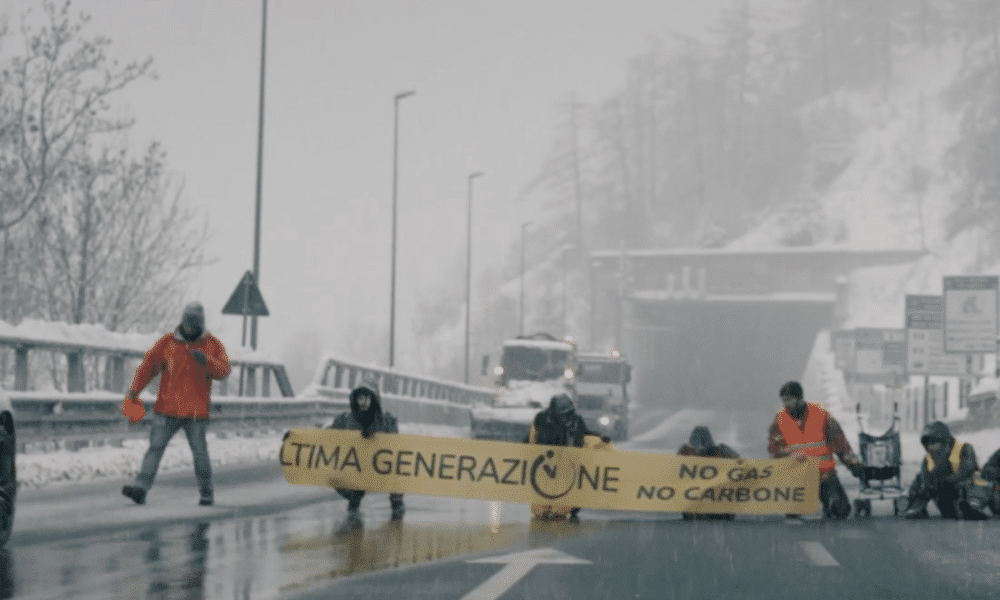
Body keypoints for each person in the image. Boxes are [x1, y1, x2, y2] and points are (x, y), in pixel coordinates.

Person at [121, 302, 231, 506]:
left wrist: (206, 361)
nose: (190, 327)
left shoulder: (212, 346)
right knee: (155, 448)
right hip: (167, 409)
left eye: (194, 323)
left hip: (196, 413)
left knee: (199, 452)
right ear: (182, 321)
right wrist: (134, 390)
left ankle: (206, 494)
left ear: (201, 324)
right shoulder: (167, 343)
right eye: (188, 322)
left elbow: (224, 371)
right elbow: (148, 366)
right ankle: (141, 488)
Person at [767, 381, 864, 520]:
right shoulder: (780, 420)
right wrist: (789, 456)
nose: (786, 404)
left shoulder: (821, 415)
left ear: (799, 399)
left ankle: (829, 503)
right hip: (798, 480)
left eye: (789, 400)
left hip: (825, 477)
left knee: (841, 511)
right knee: (792, 513)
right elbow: (774, 449)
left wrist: (855, 466)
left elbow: (840, 443)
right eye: (784, 401)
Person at [525, 394, 610, 521]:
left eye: (568, 412)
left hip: (567, 467)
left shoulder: (576, 421)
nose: (566, 416)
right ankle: (546, 518)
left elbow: (585, 435)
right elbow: (531, 438)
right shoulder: (542, 419)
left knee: (560, 509)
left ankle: (562, 515)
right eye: (563, 413)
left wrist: (601, 440)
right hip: (545, 467)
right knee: (540, 509)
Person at [329, 378, 405, 520]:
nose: (363, 402)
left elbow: (396, 451)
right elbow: (325, 436)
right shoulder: (344, 420)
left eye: (367, 398)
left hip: (381, 468)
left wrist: (374, 433)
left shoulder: (387, 421)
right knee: (334, 479)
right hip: (358, 469)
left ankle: (397, 501)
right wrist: (297, 438)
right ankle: (354, 497)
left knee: (397, 471)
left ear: (374, 400)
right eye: (360, 398)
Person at [902, 421, 990, 520]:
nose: (931, 446)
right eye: (928, 443)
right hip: (945, 496)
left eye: (934, 442)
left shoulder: (964, 448)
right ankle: (917, 507)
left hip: (966, 491)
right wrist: (930, 485)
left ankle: (972, 507)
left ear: (945, 441)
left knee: (979, 481)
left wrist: (946, 480)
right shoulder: (927, 460)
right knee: (920, 479)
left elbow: (966, 470)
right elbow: (925, 483)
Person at [679, 426, 739, 521]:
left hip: (718, 503)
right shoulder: (687, 454)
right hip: (698, 505)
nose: (700, 445)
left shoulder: (721, 451)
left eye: (703, 440)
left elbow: (740, 466)